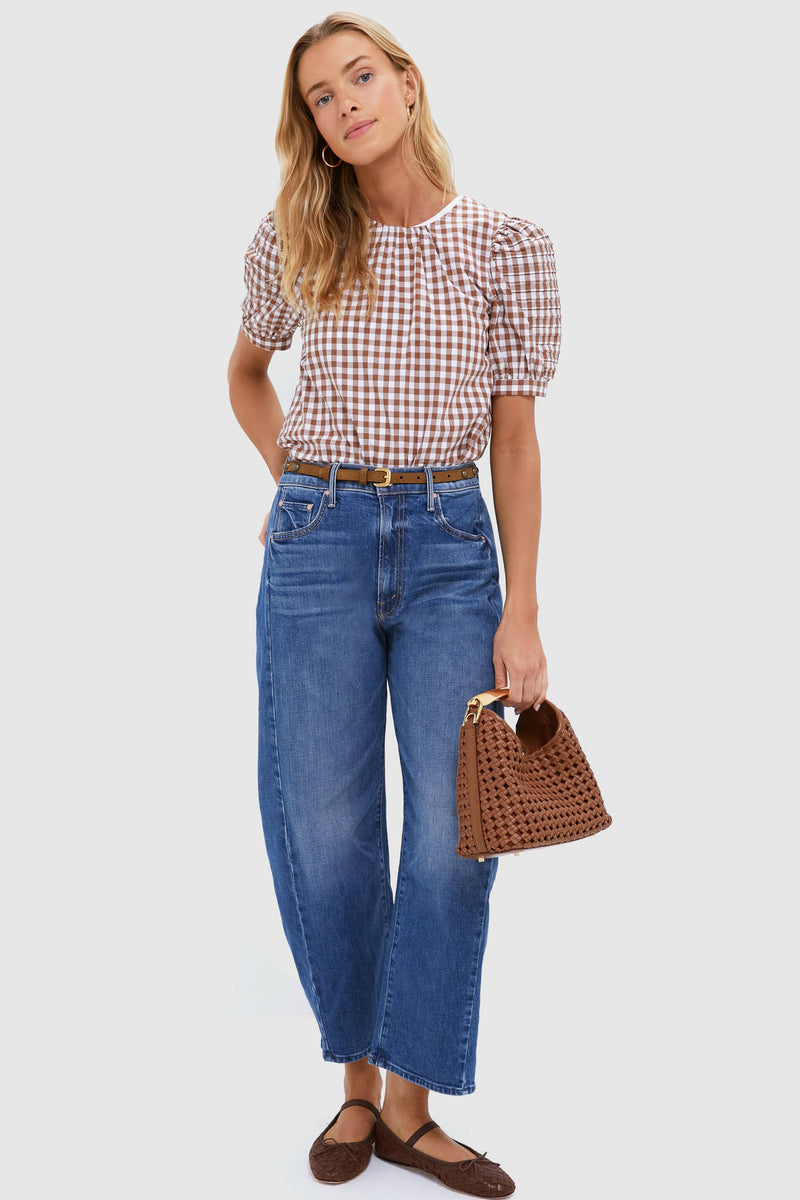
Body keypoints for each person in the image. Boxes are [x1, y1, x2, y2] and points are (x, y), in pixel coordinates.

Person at [227, 11, 561, 1195]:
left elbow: (515, 443)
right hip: (315, 548)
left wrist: (521, 610)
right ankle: (355, 1089)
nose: (344, 102)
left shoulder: (504, 242)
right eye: (320, 96)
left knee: (454, 835)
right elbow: (244, 376)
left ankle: (411, 1111)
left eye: (359, 76)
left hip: (449, 546)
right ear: (311, 126)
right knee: (320, 827)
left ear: (407, 84)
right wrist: (298, 486)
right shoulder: (295, 239)